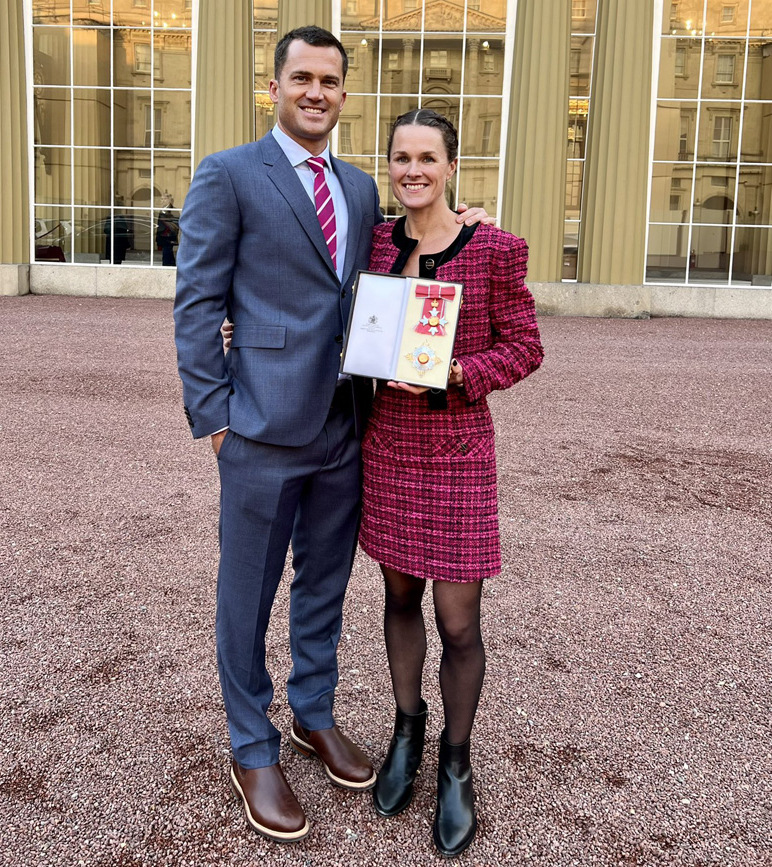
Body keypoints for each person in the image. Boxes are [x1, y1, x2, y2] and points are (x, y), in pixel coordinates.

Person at [173, 27, 487, 845]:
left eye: (331, 81)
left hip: (347, 427)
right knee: (246, 596)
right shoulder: (229, 175)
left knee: (323, 587)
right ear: (273, 86)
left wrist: (472, 222)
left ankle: (313, 709)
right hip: (258, 431)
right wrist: (215, 418)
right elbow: (198, 304)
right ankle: (252, 745)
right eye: (302, 77)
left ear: (344, 94)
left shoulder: (356, 189)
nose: (317, 92)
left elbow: (404, 260)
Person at [360, 109, 544, 857]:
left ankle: (457, 763)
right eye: (401, 157)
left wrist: (462, 372)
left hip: (459, 449)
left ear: (451, 166)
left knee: (459, 620)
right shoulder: (374, 242)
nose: (413, 170)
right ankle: (408, 730)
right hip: (388, 448)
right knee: (398, 595)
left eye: (427, 158)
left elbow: (526, 345)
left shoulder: (495, 248)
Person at [156, 194, 178, 266]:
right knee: (168, 253)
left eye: (164, 199)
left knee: (167, 252)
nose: (162, 201)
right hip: (162, 235)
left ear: (169, 200)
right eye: (161, 199)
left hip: (169, 236)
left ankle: (166, 266)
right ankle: (172, 265)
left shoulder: (174, 210)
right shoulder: (162, 210)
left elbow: (175, 224)